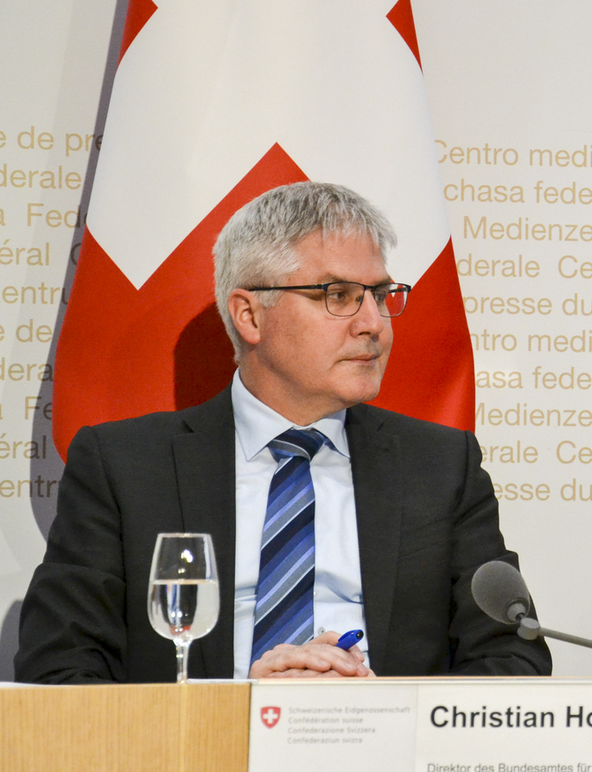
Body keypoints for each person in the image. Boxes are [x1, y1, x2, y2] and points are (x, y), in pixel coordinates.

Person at [16, 182, 551, 682]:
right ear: (250, 316)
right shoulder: (124, 466)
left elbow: (513, 654)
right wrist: (239, 707)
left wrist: (381, 713)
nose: (374, 323)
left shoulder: (441, 465)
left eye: (381, 294)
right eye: (339, 295)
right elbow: (58, 668)